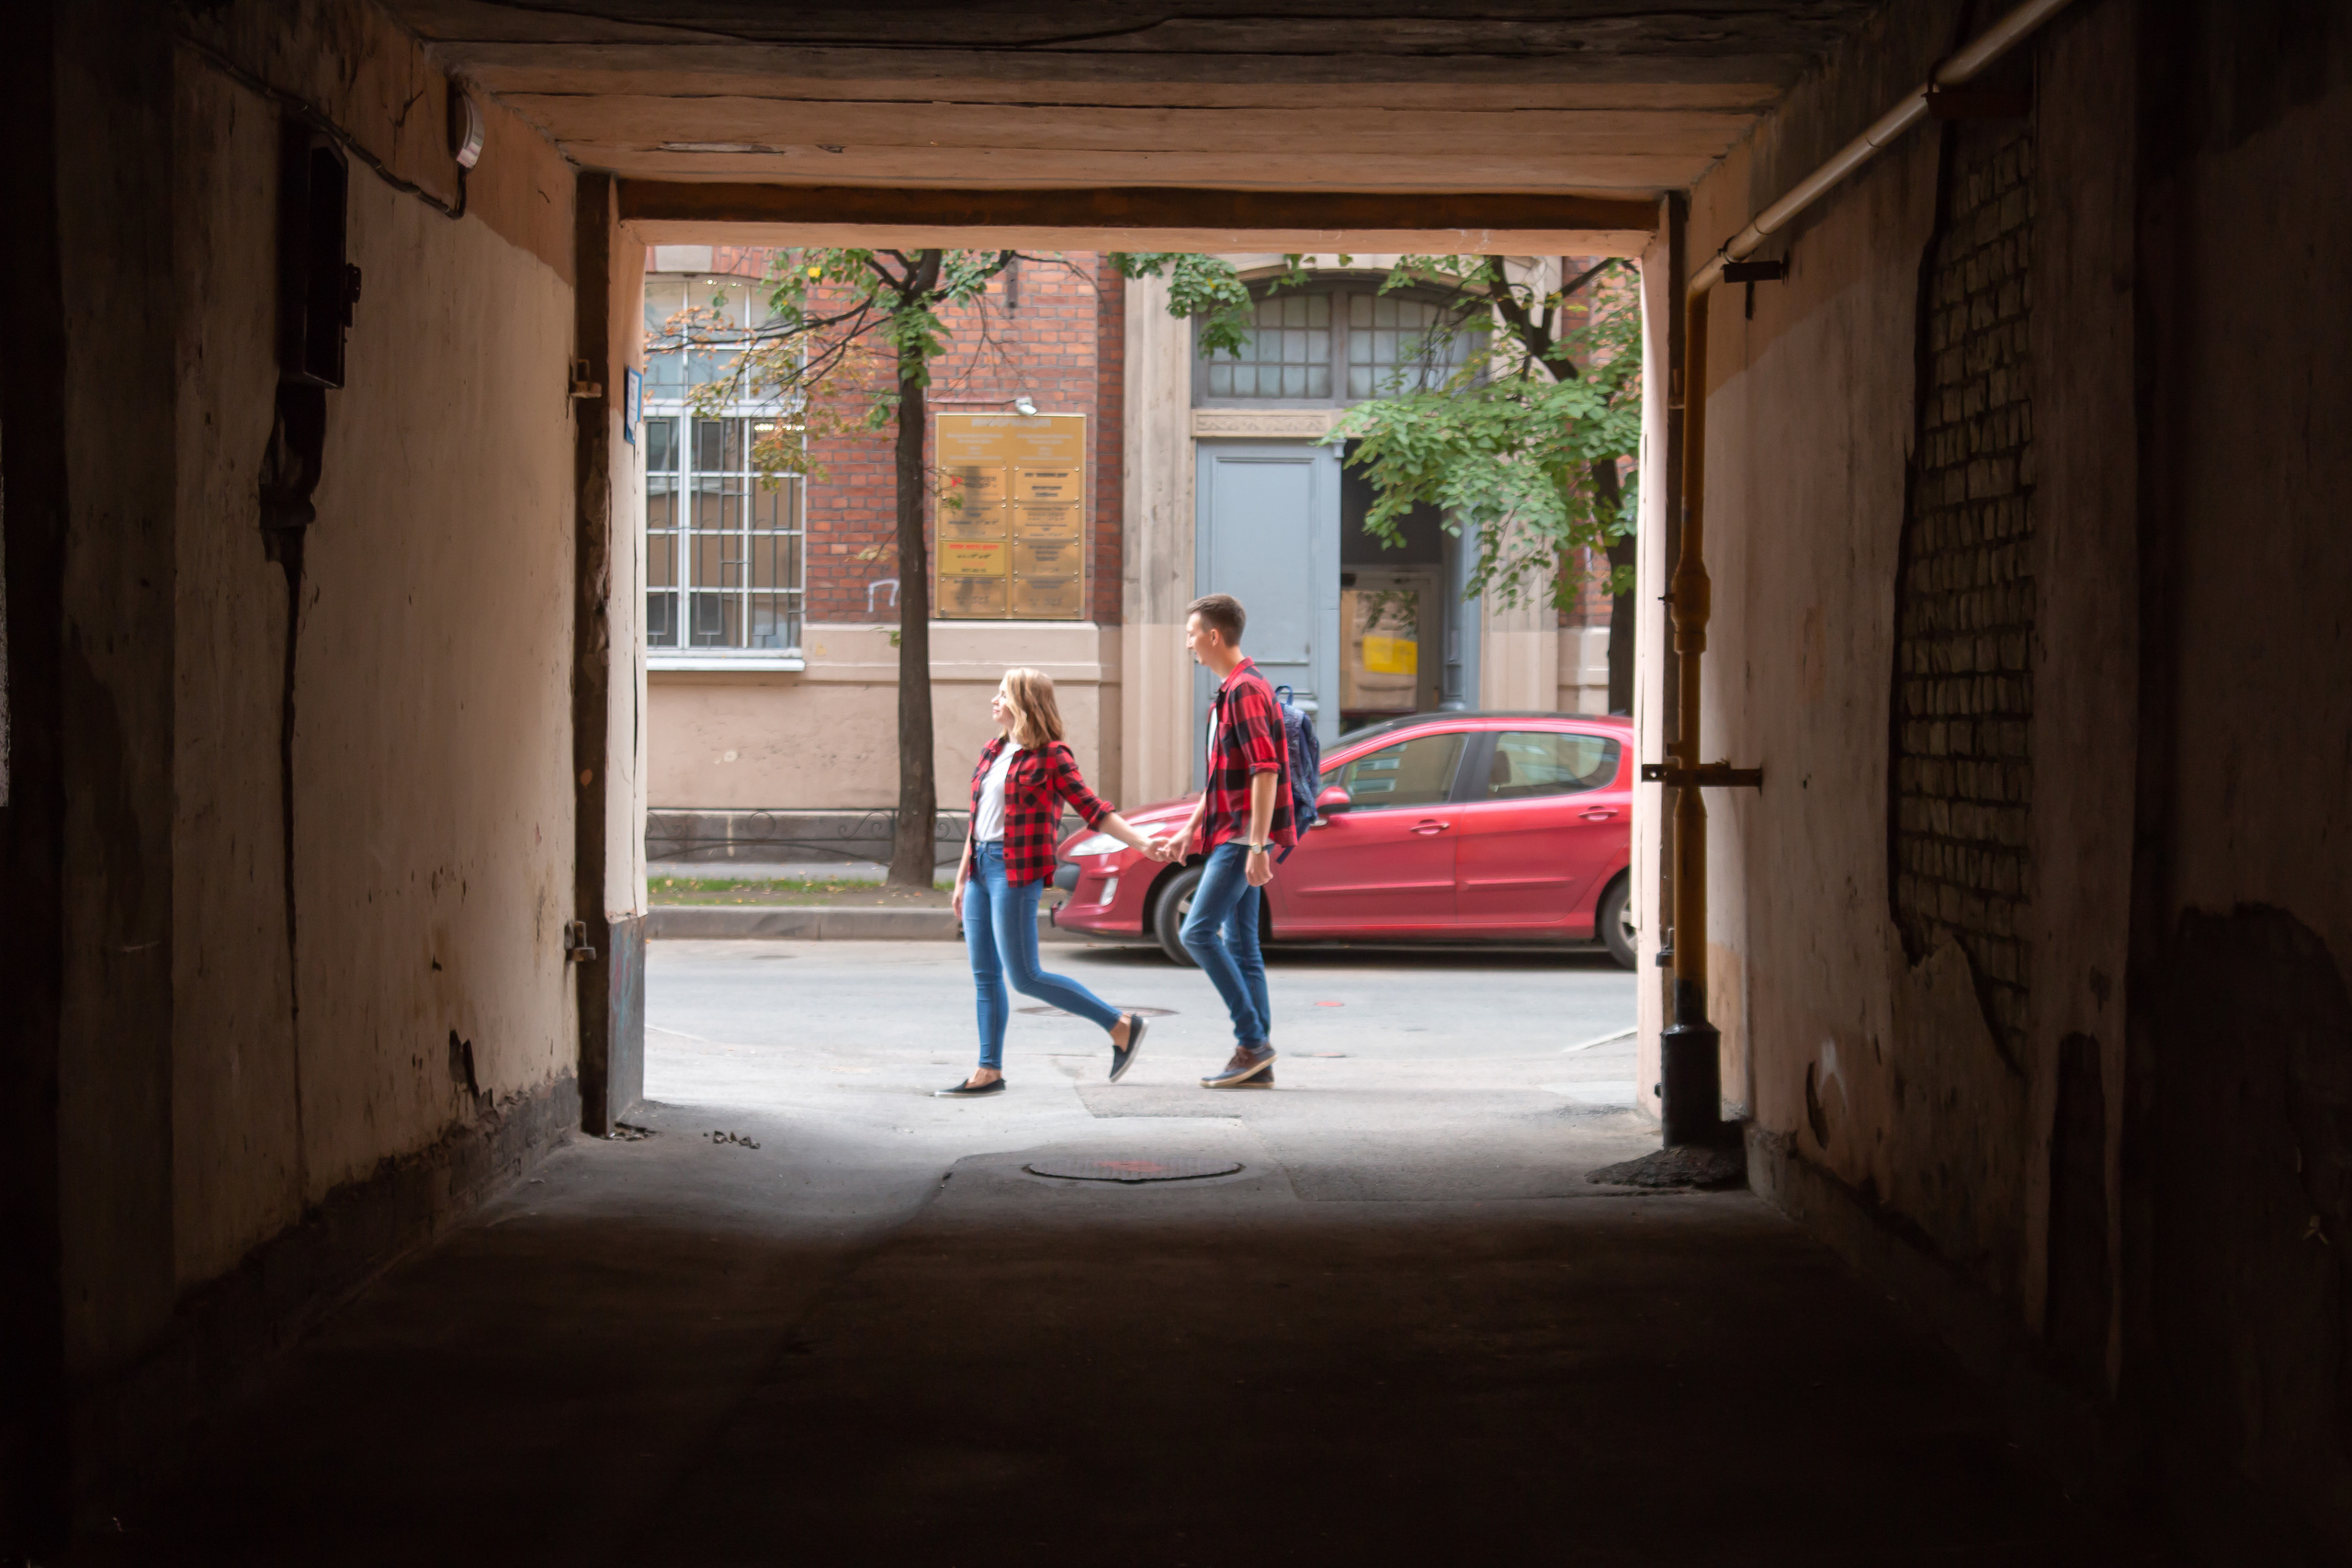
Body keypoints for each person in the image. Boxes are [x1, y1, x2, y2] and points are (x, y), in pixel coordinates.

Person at [939, 668, 1169, 1098]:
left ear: (1024, 703)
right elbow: (977, 821)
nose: (994, 700)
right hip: (980, 871)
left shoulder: (1051, 755)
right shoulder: (992, 750)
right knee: (985, 975)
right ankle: (989, 1070)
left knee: (1025, 976)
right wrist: (960, 878)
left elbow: (1093, 809)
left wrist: (1142, 843)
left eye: (1002, 694)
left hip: (1015, 871)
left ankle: (1120, 1024)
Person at [1153, 593, 1296, 1089]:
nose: (1188, 643)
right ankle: (1257, 1062)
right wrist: (1190, 829)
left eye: (1192, 633)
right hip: (1230, 832)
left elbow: (1266, 770)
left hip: (1240, 839)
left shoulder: (1244, 691)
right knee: (1241, 944)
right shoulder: (1233, 689)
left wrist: (1257, 847)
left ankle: (1252, 1042)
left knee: (1196, 932)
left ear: (1214, 636)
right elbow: (1223, 777)